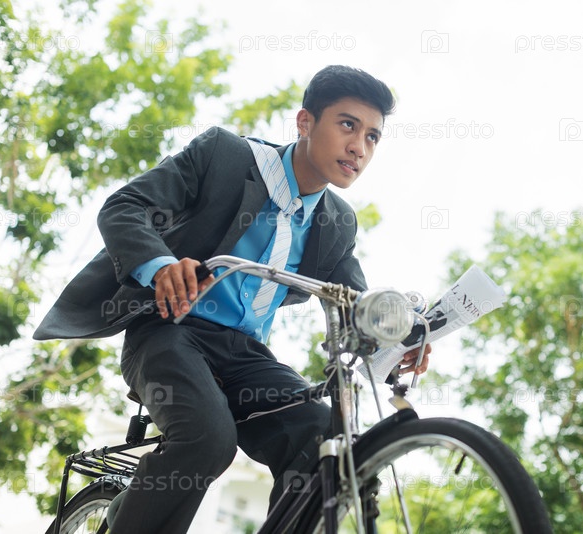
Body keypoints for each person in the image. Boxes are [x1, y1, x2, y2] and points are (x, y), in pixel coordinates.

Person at [34, 65, 430, 533]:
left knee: (325, 439)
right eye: (348, 125)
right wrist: (161, 266)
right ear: (305, 122)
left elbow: (354, 306)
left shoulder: (337, 222)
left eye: (372, 137)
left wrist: (399, 342)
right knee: (208, 438)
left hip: (245, 357)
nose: (359, 147)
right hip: (168, 333)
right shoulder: (225, 155)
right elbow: (125, 207)